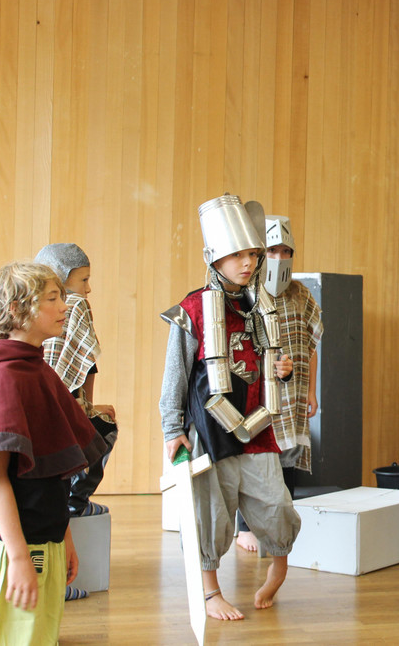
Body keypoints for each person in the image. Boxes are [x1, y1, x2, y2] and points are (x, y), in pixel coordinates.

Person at [159, 194, 301, 621]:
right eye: (237, 255)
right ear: (214, 257)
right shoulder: (192, 309)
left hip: (258, 427)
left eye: (253, 254)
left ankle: (278, 568)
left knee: (276, 505)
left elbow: (270, 362)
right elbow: (175, 375)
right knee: (210, 511)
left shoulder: (262, 306)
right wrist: (172, 428)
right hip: (210, 432)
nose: (248, 263)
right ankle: (210, 591)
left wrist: (283, 369)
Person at [0, 261, 107, 643]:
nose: (64, 306)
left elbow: (52, 470)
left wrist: (64, 536)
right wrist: (19, 557)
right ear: (16, 310)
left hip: (46, 536)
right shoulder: (4, 376)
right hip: (18, 543)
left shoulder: (37, 369)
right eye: (52, 299)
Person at [235, 215, 323, 553]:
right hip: (258, 392)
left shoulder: (300, 294)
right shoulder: (247, 293)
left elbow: (310, 346)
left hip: (293, 392)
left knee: (288, 457)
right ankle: (246, 527)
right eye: (273, 250)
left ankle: (282, 527)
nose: (280, 258)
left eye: (286, 251)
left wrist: (311, 391)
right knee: (256, 456)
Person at [34, 245, 118, 521]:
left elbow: (84, 369)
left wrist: (88, 408)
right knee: (103, 429)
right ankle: (74, 502)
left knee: (99, 420)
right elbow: (78, 367)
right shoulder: (76, 306)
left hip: (49, 412)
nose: (88, 289)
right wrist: (84, 410)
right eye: (84, 280)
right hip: (50, 419)